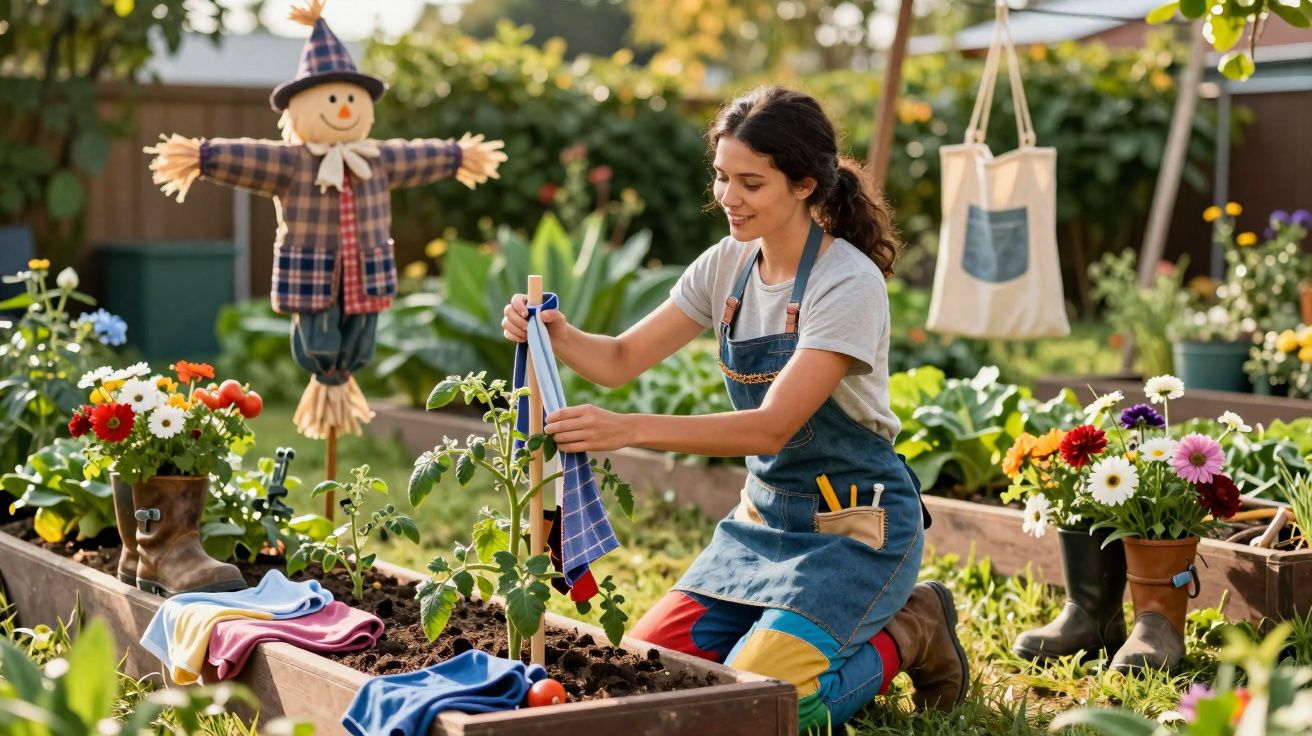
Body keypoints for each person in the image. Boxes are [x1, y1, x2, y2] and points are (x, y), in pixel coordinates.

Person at [501, 86, 966, 732]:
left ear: (805, 185)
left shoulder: (847, 282)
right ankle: (773, 627)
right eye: (721, 177)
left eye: (751, 182)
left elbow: (775, 425)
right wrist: (552, 332)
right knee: (648, 677)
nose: (728, 197)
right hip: (761, 522)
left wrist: (628, 429)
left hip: (853, 532)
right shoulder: (727, 266)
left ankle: (912, 629)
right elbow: (618, 358)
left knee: (764, 705)